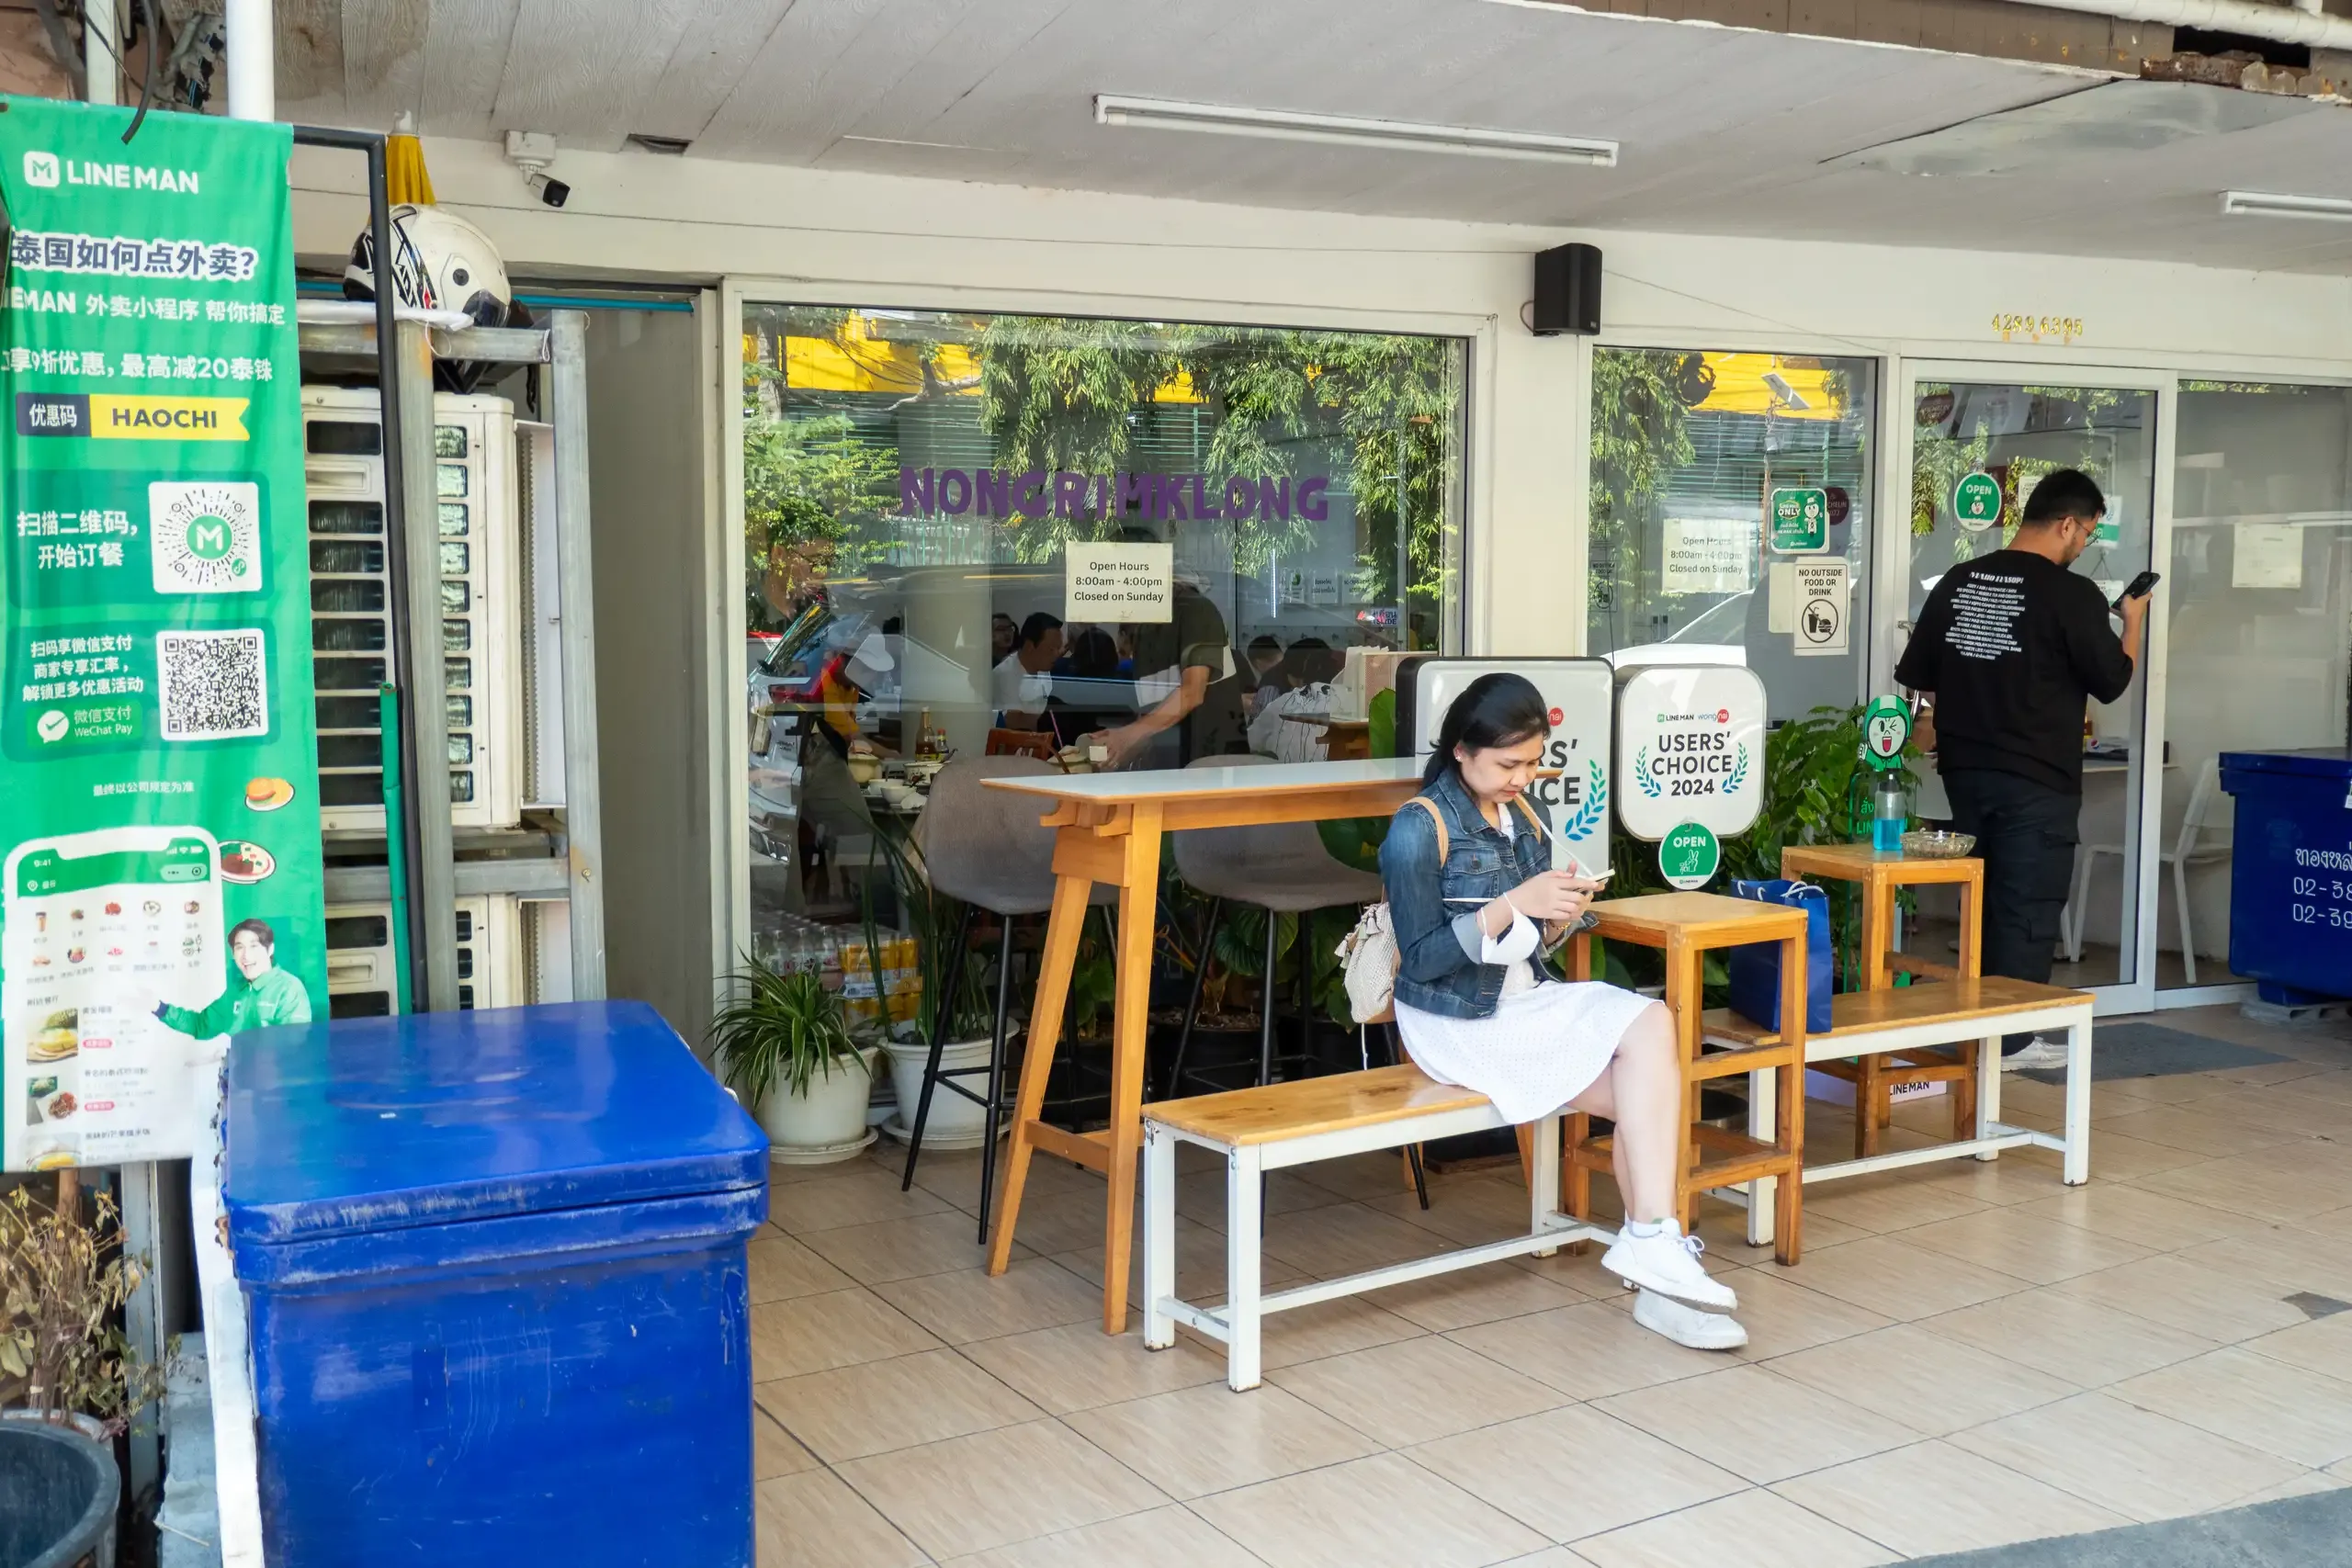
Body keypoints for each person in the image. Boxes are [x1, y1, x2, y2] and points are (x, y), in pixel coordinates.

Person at [1380, 673, 1746, 1350]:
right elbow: (1423, 958)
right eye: (1508, 764)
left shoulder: (1525, 816)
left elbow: (1533, 943)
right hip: (1455, 1019)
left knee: (1651, 1030)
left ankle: (1653, 1246)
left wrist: (1563, 912)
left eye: (1532, 762)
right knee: (1649, 1093)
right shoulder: (1418, 827)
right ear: (1461, 750)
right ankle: (1656, 1254)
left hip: (1523, 1000)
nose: (1523, 777)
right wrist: (1516, 902)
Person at [1895, 468, 2150, 1069]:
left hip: (1966, 773)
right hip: (2037, 780)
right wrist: (2132, 619)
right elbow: (2112, 681)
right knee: (2026, 907)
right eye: (2086, 532)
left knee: (1983, 903)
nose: (2084, 545)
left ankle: (1985, 1029)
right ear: (2066, 523)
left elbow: (1920, 676)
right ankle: (2010, 1040)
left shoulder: (1959, 581)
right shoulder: (2071, 595)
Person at [152, 918, 313, 1036]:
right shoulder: (236, 990)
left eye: (253, 946)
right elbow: (201, 1025)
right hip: (240, 1079)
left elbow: (294, 1045)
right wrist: (159, 1008)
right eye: (239, 948)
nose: (246, 955)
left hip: (274, 1080)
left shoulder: (289, 988)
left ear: (270, 949)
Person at [992, 611, 1064, 728]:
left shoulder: (1044, 668)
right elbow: (1014, 725)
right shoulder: (1005, 675)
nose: (1056, 654)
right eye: (1051, 649)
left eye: (1058, 648)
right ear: (1030, 647)